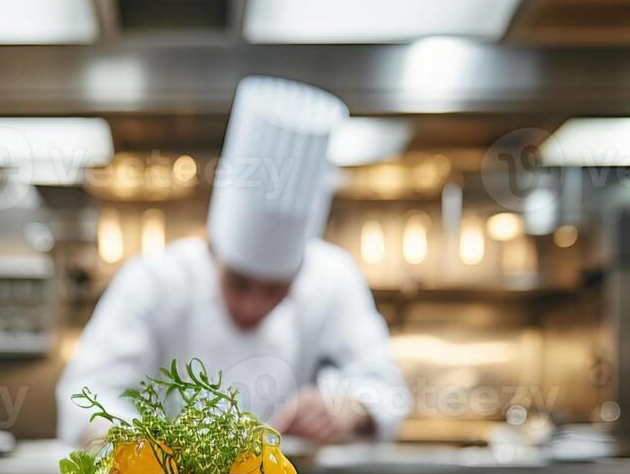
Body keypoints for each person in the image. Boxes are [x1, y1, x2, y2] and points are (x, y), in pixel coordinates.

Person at [56, 75, 407, 445]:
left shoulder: (333, 278)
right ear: (212, 250)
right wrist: (146, 451)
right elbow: (83, 396)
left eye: (275, 290)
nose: (252, 305)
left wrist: (350, 406)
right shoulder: (153, 281)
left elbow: (391, 392)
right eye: (238, 282)